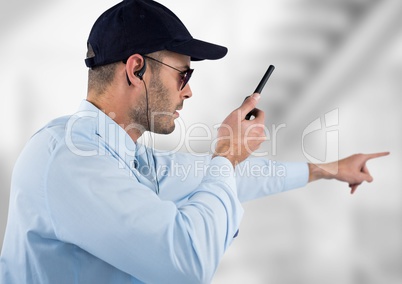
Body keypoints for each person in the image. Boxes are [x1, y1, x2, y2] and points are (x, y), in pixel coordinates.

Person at [0, 0, 389, 283]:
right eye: (183, 75)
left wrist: (328, 170)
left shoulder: (130, 158)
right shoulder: (70, 158)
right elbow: (184, 263)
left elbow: (234, 175)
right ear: (136, 70)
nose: (188, 93)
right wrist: (225, 156)